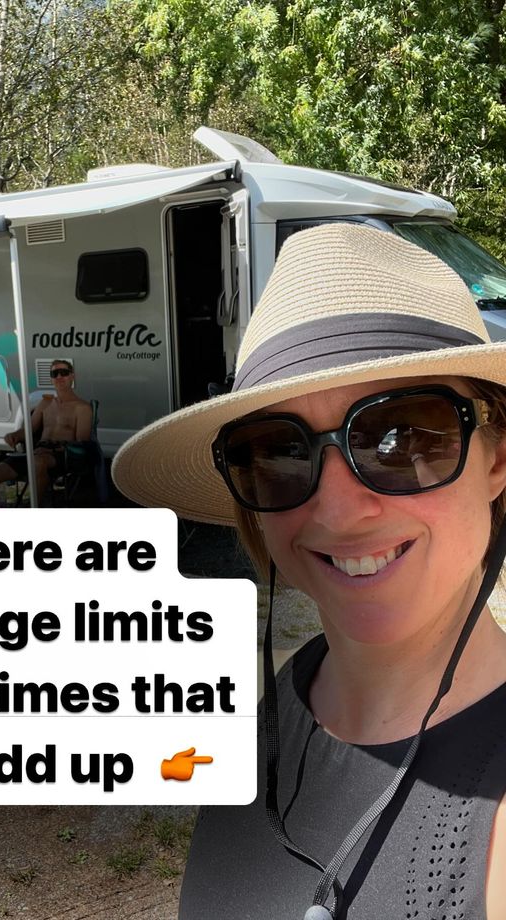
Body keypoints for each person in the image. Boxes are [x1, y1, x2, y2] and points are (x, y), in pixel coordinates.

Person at [112, 223, 506, 919]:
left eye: (400, 435)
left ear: (497, 455)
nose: (339, 510)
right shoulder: (285, 700)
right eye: (277, 450)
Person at [0, 359, 92, 506]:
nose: (59, 377)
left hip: (62, 456)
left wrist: (55, 448)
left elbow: (82, 443)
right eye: (54, 373)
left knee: (38, 462)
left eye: (63, 372)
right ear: (51, 378)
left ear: (72, 376)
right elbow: (29, 430)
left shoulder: (82, 408)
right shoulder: (45, 404)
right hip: (37, 454)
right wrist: (15, 435)